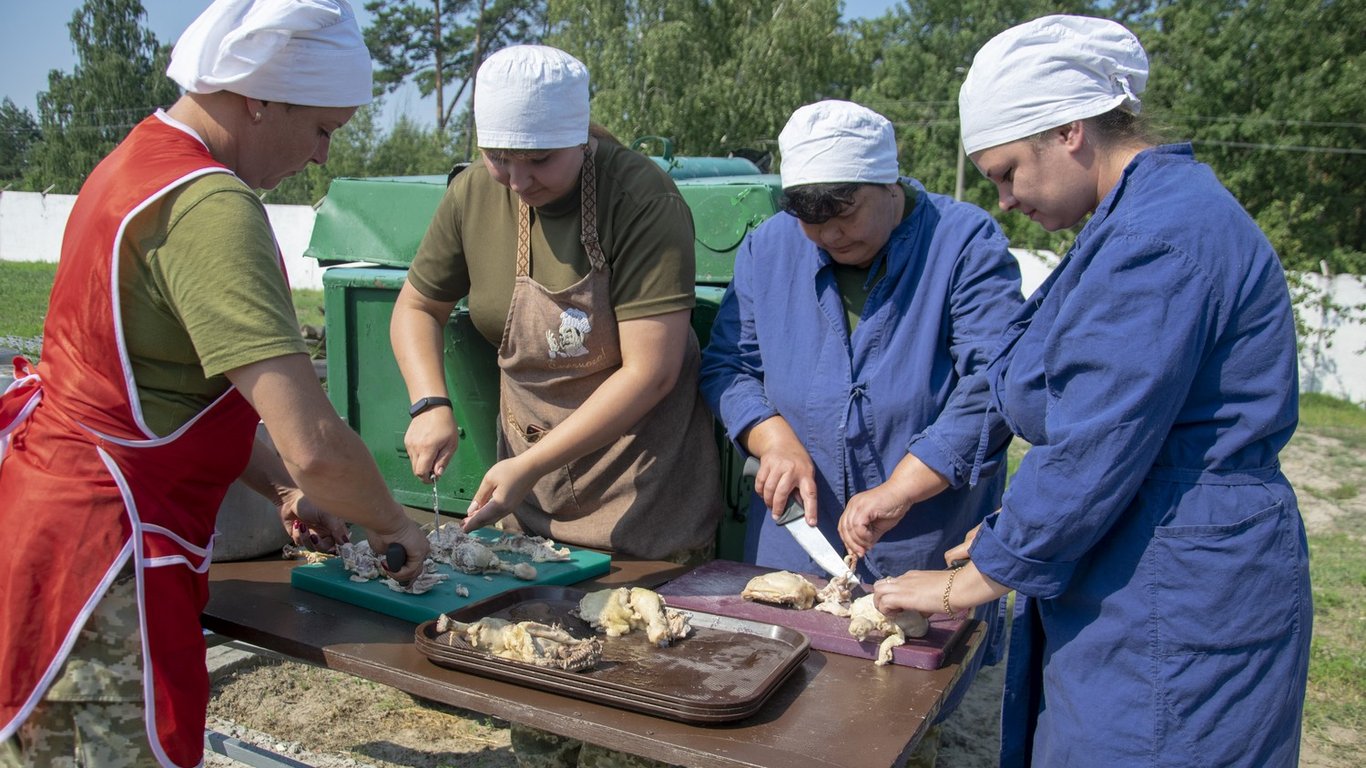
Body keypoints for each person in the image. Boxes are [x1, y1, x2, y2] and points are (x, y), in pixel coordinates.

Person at [871, 15, 1313, 768]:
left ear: (1070, 130)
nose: (1005, 200)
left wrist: (973, 581)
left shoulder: (1156, 240)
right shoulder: (1133, 222)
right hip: (1147, 552)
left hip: (1180, 588)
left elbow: (1097, 439)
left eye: (1008, 171)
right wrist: (1015, 524)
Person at [0, 2, 430, 766]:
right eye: (324, 128)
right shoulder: (211, 205)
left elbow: (166, 397)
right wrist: (393, 526)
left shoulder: (137, 159)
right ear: (261, 97)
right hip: (105, 553)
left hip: (54, 517)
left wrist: (281, 494)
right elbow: (317, 444)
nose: (323, 156)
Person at [389, 44, 723, 767]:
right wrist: (428, 402)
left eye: (537, 161)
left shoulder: (642, 196)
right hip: (536, 495)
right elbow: (416, 304)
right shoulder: (475, 194)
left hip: (641, 487)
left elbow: (652, 371)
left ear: (578, 136)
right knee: (538, 701)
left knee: (634, 710)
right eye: (498, 158)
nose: (516, 179)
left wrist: (529, 463)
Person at [699, 100, 1024, 766]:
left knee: (898, 724)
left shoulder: (964, 243)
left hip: (924, 542)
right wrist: (769, 436)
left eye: (841, 216)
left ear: (889, 185)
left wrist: (905, 484)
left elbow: (994, 382)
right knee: (783, 714)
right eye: (807, 220)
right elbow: (729, 366)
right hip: (799, 543)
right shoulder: (769, 247)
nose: (824, 237)